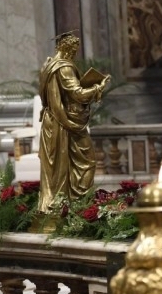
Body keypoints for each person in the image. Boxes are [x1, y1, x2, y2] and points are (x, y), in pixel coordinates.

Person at [37, 32, 110, 212]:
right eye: (74, 49)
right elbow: (78, 94)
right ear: (68, 48)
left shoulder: (48, 65)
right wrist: (97, 87)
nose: (75, 53)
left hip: (51, 121)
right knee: (87, 161)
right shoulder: (64, 68)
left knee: (56, 167)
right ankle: (77, 204)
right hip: (64, 123)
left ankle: (61, 205)